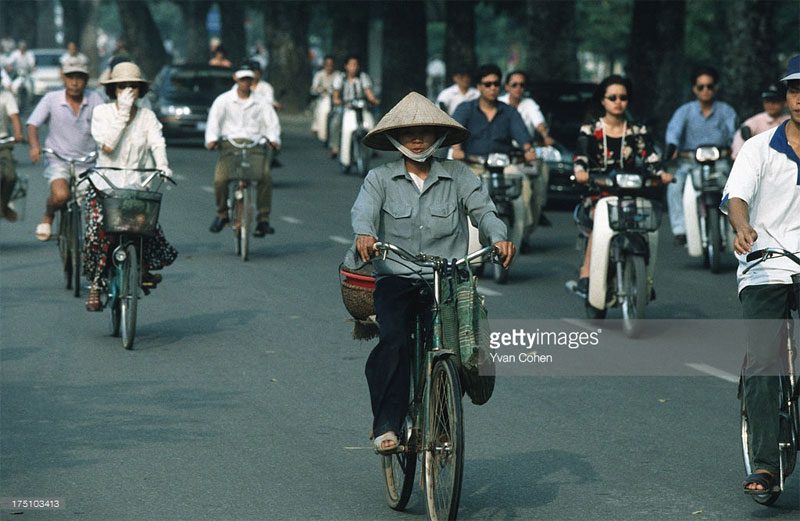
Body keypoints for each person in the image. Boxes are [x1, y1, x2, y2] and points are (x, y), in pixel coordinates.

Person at [348, 92, 515, 453]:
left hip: (448, 278)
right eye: (409, 132)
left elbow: (484, 212)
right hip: (397, 276)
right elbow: (363, 212)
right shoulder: (379, 178)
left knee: (457, 351)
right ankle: (387, 423)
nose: (417, 138)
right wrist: (366, 233)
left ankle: (441, 421)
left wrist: (499, 238)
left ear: (437, 136)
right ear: (396, 138)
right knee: (393, 341)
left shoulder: (458, 175)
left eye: (424, 131)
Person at [721, 55, 800, 495]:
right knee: (765, 360)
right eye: (794, 90)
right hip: (766, 263)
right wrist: (742, 226)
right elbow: (737, 196)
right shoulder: (758, 147)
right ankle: (767, 465)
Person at [82, 61, 176, 311]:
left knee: (147, 227)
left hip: (136, 184)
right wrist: (122, 114)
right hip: (106, 185)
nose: (128, 92)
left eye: (132, 87)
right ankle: (95, 285)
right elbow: (107, 146)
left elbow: (157, 143)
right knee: (97, 234)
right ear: (114, 90)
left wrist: (163, 165)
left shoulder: (147, 116)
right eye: (122, 87)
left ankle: (141, 267)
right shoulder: (102, 114)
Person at [570, 75, 672, 298]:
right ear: (603, 101)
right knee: (599, 217)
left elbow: (650, 155)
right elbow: (581, 153)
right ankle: (586, 274)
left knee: (644, 221)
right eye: (612, 97)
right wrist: (580, 170)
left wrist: (662, 173)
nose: (618, 102)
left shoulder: (636, 129)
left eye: (623, 97)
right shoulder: (591, 129)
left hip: (631, 190)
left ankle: (644, 278)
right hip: (599, 190)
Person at [27, 61, 104, 241]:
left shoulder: (95, 99)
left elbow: (107, 124)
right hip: (58, 158)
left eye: (79, 78)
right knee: (61, 195)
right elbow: (33, 124)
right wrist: (35, 146)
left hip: (88, 161)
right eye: (70, 77)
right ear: (63, 78)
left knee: (96, 202)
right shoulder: (51, 99)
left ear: (86, 80)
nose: (75, 83)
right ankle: (48, 215)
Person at [665, 66, 737, 246]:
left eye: (709, 86)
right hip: (689, 163)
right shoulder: (684, 111)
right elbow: (673, 132)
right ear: (694, 89)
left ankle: (737, 225)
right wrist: (672, 147)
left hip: (719, 162)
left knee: (736, 186)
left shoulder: (726, 111)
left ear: (716, 88)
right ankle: (680, 229)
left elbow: (735, 134)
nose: (705, 90)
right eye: (701, 87)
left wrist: (737, 149)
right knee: (674, 185)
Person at [205, 65, 281, 236]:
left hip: (255, 145)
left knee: (265, 177)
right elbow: (213, 123)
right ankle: (222, 214)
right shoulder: (223, 100)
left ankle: (263, 219)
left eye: (249, 79)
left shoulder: (261, 102)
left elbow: (271, 124)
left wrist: (274, 140)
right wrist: (211, 140)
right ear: (235, 79)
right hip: (229, 145)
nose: (246, 83)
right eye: (242, 79)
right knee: (220, 179)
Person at [329, 54, 379, 160]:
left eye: (356, 65)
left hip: (361, 106)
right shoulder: (340, 78)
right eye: (351, 65)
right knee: (336, 122)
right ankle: (335, 147)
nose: (354, 67)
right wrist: (336, 100)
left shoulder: (363, 77)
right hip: (346, 106)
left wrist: (373, 99)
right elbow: (336, 94)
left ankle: (372, 148)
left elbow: (368, 92)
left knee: (371, 124)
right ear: (346, 66)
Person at [731, 83, 788, 159]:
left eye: (775, 101)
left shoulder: (790, 120)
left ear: (785, 102)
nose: (771, 104)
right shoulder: (755, 121)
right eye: (767, 101)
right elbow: (739, 139)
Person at [499, 70, 554, 146]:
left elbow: (539, 122)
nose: (518, 88)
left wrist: (546, 136)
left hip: (525, 148)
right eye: (514, 85)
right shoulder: (499, 102)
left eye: (522, 85)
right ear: (507, 87)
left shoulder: (529, 103)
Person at [0, 82, 24, 221]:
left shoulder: (6, 96)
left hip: (3, 143)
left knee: (10, 176)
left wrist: (18, 133)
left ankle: (3, 205)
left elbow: (14, 116)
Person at [310, 55, 339, 143]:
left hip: (335, 98)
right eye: (327, 64)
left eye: (331, 64)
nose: (329, 67)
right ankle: (322, 133)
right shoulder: (319, 75)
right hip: (322, 98)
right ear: (324, 65)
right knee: (322, 110)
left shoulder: (337, 75)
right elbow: (314, 88)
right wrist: (321, 89)